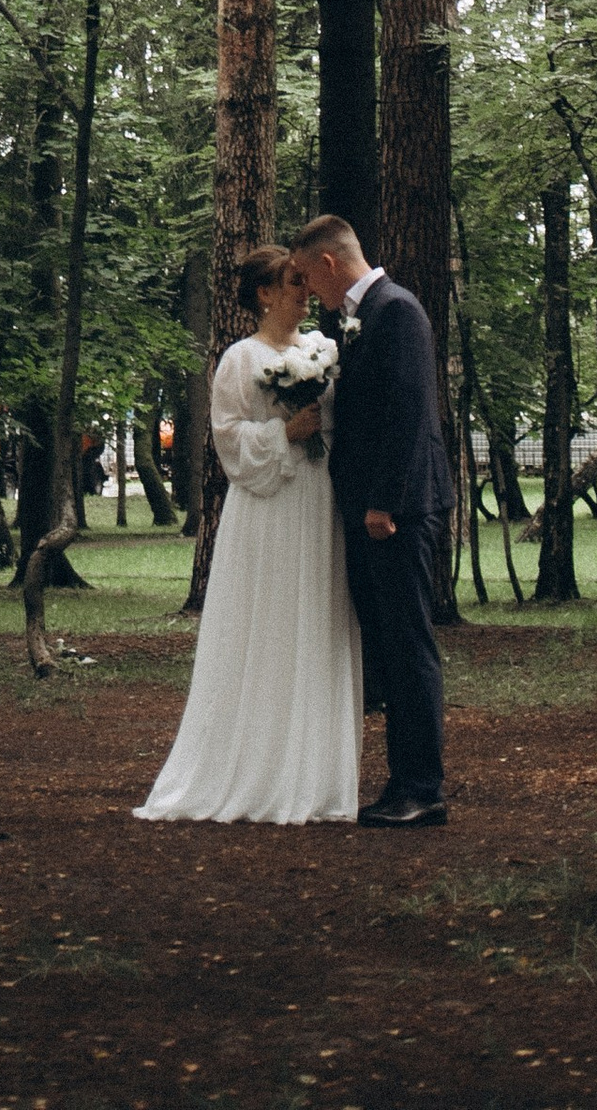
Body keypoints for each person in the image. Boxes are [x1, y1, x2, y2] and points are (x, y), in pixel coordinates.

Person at [135, 247, 361, 825]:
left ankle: (313, 772)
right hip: (268, 505)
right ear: (264, 294)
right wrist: (286, 432)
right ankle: (255, 767)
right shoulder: (240, 359)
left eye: (305, 281)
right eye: (292, 282)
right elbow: (228, 441)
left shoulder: (321, 350)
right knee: (269, 623)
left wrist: (322, 428)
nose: (304, 290)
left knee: (316, 620)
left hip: (316, 498)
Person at [290, 212, 451, 828]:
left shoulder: (396, 310)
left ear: (329, 264)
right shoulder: (361, 319)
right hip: (373, 510)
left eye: (308, 278)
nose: (307, 292)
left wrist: (383, 503)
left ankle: (422, 787)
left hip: (399, 510)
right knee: (387, 646)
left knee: (409, 646)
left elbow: (407, 414)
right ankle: (403, 783)